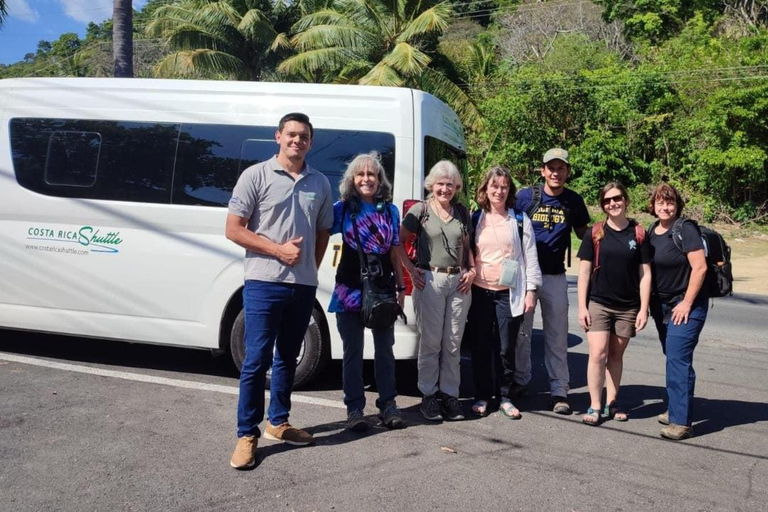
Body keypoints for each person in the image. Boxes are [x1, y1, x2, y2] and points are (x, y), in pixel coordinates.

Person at [226, 112, 333, 470]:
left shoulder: (319, 182)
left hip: (301, 286)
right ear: (278, 136)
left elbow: (322, 232)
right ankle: (246, 434)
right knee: (255, 361)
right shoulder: (254, 176)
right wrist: (277, 250)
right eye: (291, 134)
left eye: (303, 136)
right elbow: (234, 229)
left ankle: (278, 422)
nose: (297, 141)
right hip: (263, 281)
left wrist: (310, 269)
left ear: (310, 142)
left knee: (287, 357)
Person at [329, 152, 407, 432]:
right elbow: (317, 231)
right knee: (353, 351)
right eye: (360, 175)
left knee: (385, 350)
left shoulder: (389, 210)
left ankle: (388, 405)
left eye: (371, 175)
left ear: (379, 179)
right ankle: (354, 409)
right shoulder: (342, 209)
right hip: (349, 290)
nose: (366, 179)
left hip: (383, 289)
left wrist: (401, 286)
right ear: (352, 179)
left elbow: (396, 251)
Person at [514, 148, 590, 414]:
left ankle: (559, 391)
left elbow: (586, 235)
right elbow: (506, 226)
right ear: (543, 170)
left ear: (567, 172)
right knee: (521, 333)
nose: (556, 173)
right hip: (525, 277)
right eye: (551, 168)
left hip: (556, 276)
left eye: (561, 168)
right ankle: (519, 381)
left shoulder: (573, 201)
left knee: (557, 336)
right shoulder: (525, 197)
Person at [401, 160, 474, 422]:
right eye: (440, 184)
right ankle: (429, 396)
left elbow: (468, 248)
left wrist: (472, 270)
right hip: (429, 280)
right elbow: (398, 243)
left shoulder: (462, 213)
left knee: (453, 343)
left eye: (450, 185)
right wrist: (410, 269)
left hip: (459, 282)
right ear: (432, 185)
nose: (445, 189)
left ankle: (449, 396)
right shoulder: (421, 210)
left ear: (456, 187)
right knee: (431, 343)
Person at [467, 167, 542, 419]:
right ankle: (482, 395)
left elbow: (530, 258)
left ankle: (505, 396)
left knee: (505, 348)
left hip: (507, 294)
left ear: (509, 190)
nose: (499, 191)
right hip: (479, 292)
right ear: (485, 189)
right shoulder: (475, 218)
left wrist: (531, 291)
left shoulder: (519, 220)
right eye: (494, 186)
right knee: (479, 346)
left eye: (504, 187)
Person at [576, 181, 652, 425]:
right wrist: (581, 306)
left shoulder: (639, 234)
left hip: (627, 306)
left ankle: (612, 402)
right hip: (598, 303)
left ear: (626, 200)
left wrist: (643, 308)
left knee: (616, 355)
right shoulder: (595, 233)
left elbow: (645, 274)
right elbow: (584, 272)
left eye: (617, 198)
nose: (613, 203)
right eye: (607, 201)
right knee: (598, 353)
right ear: (603, 205)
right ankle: (595, 405)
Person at [647, 183, 709, 440]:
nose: (665, 207)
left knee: (677, 357)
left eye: (670, 202)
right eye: (661, 202)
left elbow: (700, 268)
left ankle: (681, 422)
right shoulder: (653, 230)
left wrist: (686, 302)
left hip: (686, 305)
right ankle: (676, 407)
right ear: (653, 206)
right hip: (661, 305)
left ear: (677, 205)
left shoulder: (685, 229)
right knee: (673, 355)